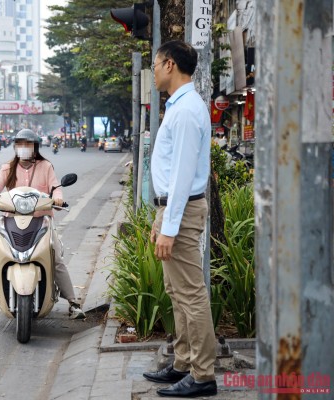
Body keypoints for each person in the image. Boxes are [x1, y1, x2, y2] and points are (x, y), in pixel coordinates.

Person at [142, 40, 216, 398]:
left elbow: (183, 176)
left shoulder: (186, 111)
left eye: (156, 64)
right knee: (177, 290)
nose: (153, 70)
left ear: (169, 64)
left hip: (181, 210)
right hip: (172, 209)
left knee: (190, 293)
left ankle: (203, 375)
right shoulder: (179, 106)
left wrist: (169, 228)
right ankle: (184, 362)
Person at [0, 128, 86, 323]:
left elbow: (55, 187)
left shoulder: (45, 166)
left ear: (35, 147)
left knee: (55, 257)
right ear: (15, 147)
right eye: (20, 144)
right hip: (12, 220)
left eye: (28, 144)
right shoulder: (7, 168)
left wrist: (58, 199)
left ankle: (73, 303)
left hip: (41, 220)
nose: (24, 148)